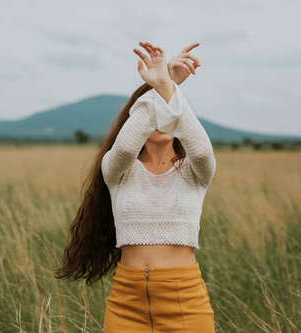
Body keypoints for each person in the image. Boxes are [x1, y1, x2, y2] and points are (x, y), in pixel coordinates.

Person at [54, 41, 216, 332]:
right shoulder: (117, 169)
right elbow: (127, 145)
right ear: (138, 116)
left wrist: (168, 86)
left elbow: (203, 151)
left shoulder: (195, 170)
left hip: (184, 298)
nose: (160, 118)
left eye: (169, 110)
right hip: (126, 301)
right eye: (153, 111)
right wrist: (164, 88)